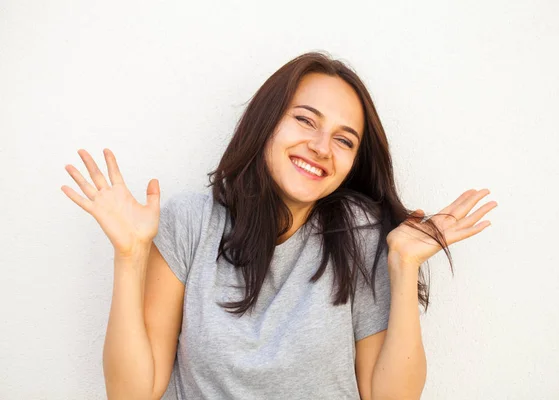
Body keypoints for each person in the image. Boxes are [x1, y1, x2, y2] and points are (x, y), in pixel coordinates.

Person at [62, 51, 497, 400]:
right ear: (266, 121)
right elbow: (131, 394)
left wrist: (402, 265)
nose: (322, 147)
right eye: (305, 120)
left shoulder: (361, 235)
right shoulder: (191, 222)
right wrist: (130, 256)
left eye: (344, 140)